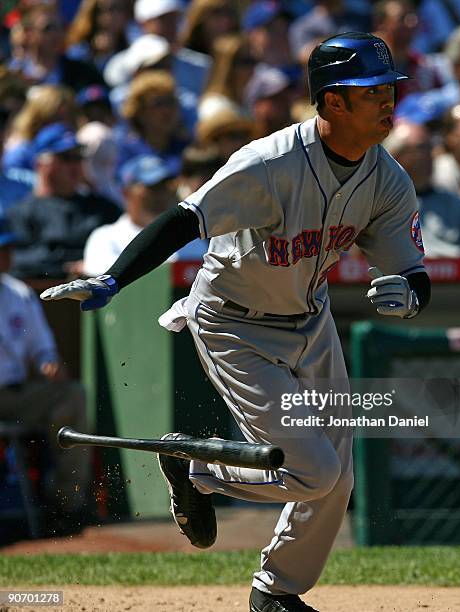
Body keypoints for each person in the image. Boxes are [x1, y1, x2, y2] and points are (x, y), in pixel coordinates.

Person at [41, 33, 431, 611]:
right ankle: (199, 469)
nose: (387, 103)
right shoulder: (269, 164)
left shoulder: (387, 180)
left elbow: (412, 270)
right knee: (315, 473)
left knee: (337, 480)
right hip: (234, 322)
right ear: (332, 102)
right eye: (370, 92)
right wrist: (114, 278)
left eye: (388, 89)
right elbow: (184, 219)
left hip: (310, 320)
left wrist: (411, 293)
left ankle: (274, 591)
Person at [0, 218, 90, 535]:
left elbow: (43, 349)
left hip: (16, 394)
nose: (6, 256)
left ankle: (66, 507)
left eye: (8, 248)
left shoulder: (18, 293)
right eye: (1, 249)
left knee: (72, 395)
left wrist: (48, 363)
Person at [7, 122, 120, 279]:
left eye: (78, 156)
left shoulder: (103, 208)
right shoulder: (21, 212)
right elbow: (14, 260)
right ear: (41, 163)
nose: (75, 164)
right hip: (44, 299)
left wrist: (92, 264)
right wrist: (63, 266)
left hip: (99, 295)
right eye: (66, 157)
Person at [83, 154, 207, 276]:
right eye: (152, 187)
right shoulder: (105, 238)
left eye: (165, 186)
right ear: (126, 192)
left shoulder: (189, 237)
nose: (161, 194)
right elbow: (103, 283)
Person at [384, 120, 460, 257]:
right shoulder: (377, 207)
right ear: (396, 156)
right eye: (421, 148)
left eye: (430, 148)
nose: (430, 155)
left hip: (453, 276)